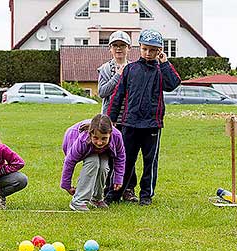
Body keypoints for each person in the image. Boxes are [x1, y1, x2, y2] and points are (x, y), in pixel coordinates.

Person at [107, 29, 181, 206]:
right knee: (125, 160)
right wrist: (110, 119)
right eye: (145, 49)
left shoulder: (161, 71)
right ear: (139, 47)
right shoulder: (130, 69)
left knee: (150, 162)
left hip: (152, 125)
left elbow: (173, 84)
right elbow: (117, 95)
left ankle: (146, 195)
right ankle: (115, 193)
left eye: (153, 50)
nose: (148, 53)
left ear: (159, 51)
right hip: (130, 123)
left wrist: (164, 63)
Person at [97, 30, 138, 204]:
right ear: (110, 49)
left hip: (129, 118)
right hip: (111, 120)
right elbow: (102, 92)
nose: (119, 49)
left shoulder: (135, 68)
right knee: (110, 154)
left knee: (129, 155)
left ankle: (128, 189)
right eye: (115, 46)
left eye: (122, 45)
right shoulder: (105, 69)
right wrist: (117, 76)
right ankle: (109, 188)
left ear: (129, 48)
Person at [60, 114, 125, 211]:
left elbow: (120, 157)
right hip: (73, 139)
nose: (99, 142)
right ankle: (78, 201)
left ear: (110, 134)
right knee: (93, 161)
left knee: (103, 166)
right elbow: (69, 162)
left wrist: (118, 179)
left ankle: (96, 198)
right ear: (90, 134)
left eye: (104, 138)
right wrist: (67, 185)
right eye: (96, 138)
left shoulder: (117, 136)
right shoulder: (82, 139)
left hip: (103, 150)